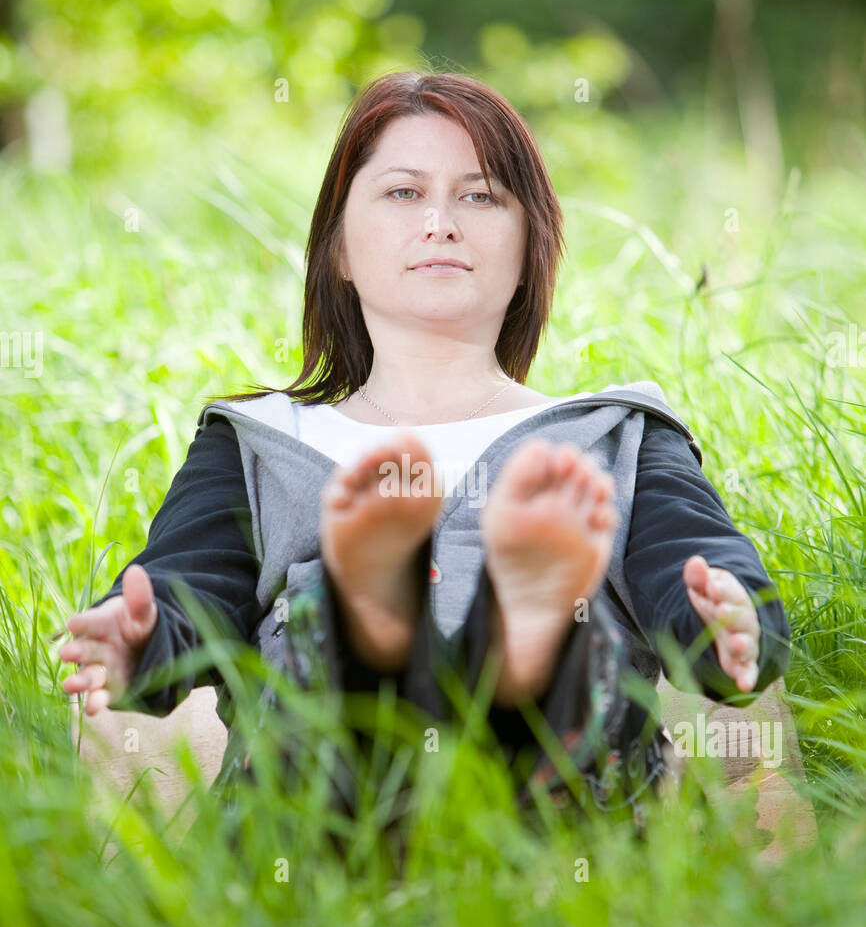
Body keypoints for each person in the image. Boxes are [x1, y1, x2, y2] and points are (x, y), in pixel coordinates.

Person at [56, 71, 791, 823]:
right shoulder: (260, 442)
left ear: (528, 244)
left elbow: (697, 569)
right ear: (338, 248)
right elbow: (188, 592)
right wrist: (137, 639)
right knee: (328, 652)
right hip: (320, 809)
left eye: (480, 196)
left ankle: (504, 622)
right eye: (404, 193)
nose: (442, 221)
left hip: (561, 804)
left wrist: (728, 626)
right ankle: (379, 624)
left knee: (560, 644)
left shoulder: (615, 433)